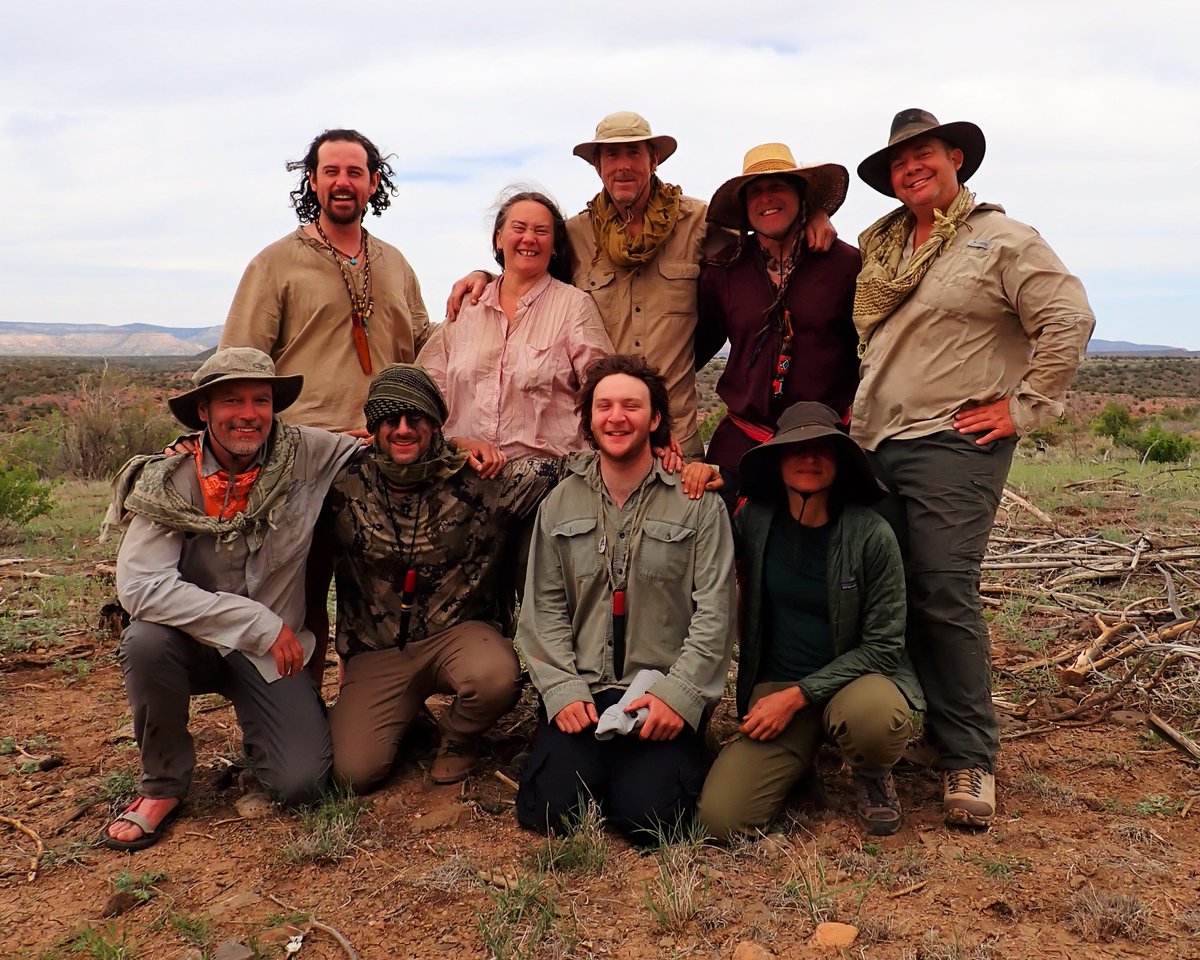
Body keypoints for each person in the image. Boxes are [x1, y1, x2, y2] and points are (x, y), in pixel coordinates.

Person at [851, 109, 1095, 827]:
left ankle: (970, 758)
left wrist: (1023, 408)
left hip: (952, 443)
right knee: (891, 591)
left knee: (942, 588)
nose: (911, 169)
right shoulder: (885, 251)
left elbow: (1069, 317)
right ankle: (920, 728)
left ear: (956, 158)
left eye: (923, 154)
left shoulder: (1002, 239)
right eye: (898, 163)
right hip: (876, 442)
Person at [448, 112, 836, 458]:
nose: (623, 166)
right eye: (612, 156)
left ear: (654, 159)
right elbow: (527, 269)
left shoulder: (698, 222)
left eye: (634, 153)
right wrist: (484, 276)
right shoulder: (576, 235)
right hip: (603, 438)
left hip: (676, 434)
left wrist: (811, 216)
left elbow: (767, 235)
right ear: (598, 167)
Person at [102, 348, 361, 851]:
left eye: (260, 400)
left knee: (301, 784)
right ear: (204, 411)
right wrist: (256, 621)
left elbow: (390, 445)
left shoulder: (307, 452)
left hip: (270, 656)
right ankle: (162, 785)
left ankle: (264, 739)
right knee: (145, 642)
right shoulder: (170, 479)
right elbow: (139, 587)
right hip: (205, 643)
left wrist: (469, 445)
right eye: (231, 401)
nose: (248, 413)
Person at [315, 364, 567, 790]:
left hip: (460, 636)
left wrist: (663, 452)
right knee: (353, 773)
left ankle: (458, 736)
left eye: (416, 419)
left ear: (435, 424)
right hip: (378, 649)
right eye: (389, 420)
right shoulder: (339, 479)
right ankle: (408, 720)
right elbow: (273, 454)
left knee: (494, 678)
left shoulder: (480, 476)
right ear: (372, 428)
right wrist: (191, 445)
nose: (403, 430)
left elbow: (578, 468)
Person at [515, 355, 735, 840]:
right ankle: (577, 757)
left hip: (657, 693)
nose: (617, 417)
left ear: (655, 419)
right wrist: (561, 690)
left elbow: (714, 613)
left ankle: (677, 753)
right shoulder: (559, 504)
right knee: (550, 814)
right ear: (590, 420)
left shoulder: (697, 502)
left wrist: (678, 698)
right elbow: (543, 608)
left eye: (631, 406)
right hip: (586, 694)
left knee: (648, 822)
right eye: (604, 406)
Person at [696, 402, 924, 840]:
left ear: (840, 464)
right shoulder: (755, 521)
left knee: (873, 719)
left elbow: (884, 646)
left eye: (824, 450)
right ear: (777, 460)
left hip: (856, 682)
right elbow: (706, 545)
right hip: (778, 684)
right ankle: (797, 762)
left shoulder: (871, 533)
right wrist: (700, 476)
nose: (810, 459)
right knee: (721, 820)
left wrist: (800, 695)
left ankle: (873, 773)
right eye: (796, 449)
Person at [222, 129, 431, 434]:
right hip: (305, 447)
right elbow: (235, 365)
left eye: (354, 173)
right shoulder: (273, 264)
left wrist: (489, 282)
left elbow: (427, 345)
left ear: (372, 183)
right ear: (313, 180)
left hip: (388, 446)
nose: (342, 182)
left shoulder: (396, 263)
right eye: (331, 172)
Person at [695, 143, 862, 508]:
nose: (766, 198)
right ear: (743, 207)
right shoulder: (722, 271)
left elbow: (871, 352)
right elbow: (695, 347)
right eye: (755, 191)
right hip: (742, 445)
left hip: (823, 446)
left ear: (801, 195)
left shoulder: (846, 265)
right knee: (730, 554)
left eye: (778, 187)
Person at [418, 189, 613, 460]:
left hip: (549, 481)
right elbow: (425, 389)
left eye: (541, 231)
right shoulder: (466, 308)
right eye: (518, 228)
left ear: (555, 245)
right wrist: (455, 443)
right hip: (463, 474)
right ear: (498, 238)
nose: (529, 238)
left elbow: (605, 392)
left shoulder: (574, 307)